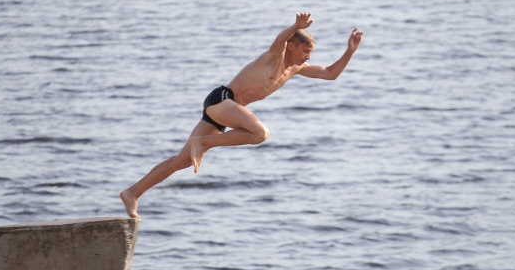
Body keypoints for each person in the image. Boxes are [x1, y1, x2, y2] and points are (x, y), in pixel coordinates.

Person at [120, 13, 363, 220]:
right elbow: (280, 39)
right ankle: (202, 143)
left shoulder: (296, 69)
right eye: (306, 50)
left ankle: (132, 193)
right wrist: (295, 27)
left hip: (225, 113)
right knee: (260, 133)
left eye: (311, 52)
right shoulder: (274, 56)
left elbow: (331, 73)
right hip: (222, 99)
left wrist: (349, 51)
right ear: (292, 46)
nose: (308, 56)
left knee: (182, 161)